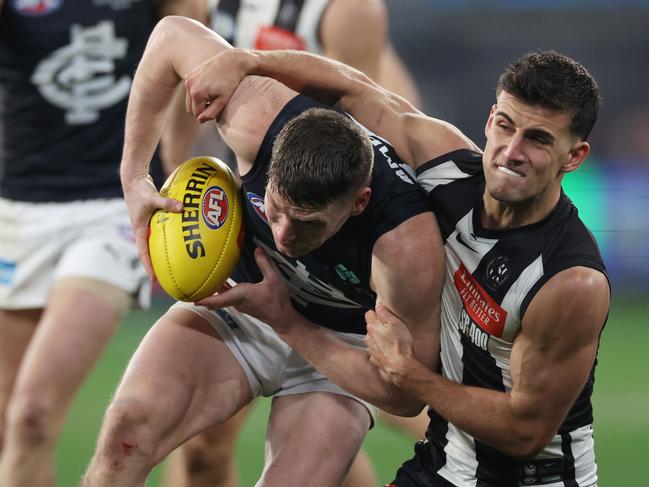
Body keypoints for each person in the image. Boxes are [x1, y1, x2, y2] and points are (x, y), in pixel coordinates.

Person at [183, 46, 610, 485]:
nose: (511, 151)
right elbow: (353, 89)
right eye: (505, 126)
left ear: (574, 157)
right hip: (444, 462)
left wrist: (409, 375)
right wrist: (247, 62)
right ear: (490, 120)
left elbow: (525, 432)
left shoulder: (569, 279)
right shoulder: (448, 168)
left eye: (538, 139)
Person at [80, 16, 443, 487]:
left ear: (359, 203)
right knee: (124, 436)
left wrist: (288, 322)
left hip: (342, 347)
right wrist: (134, 177)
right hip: (242, 305)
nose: (285, 235)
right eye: (274, 208)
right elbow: (171, 35)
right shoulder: (257, 115)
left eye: (308, 223)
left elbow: (405, 396)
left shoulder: (407, 246)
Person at [0, 1, 205, 486]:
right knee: (6, 419)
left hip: (113, 205)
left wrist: (177, 167)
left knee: (32, 416)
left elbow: (189, 48)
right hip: (21, 207)